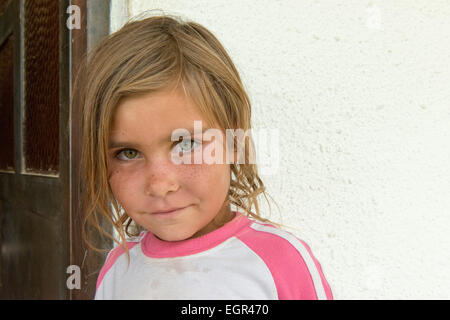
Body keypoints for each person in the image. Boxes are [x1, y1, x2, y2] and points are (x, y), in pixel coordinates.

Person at [73, 13, 333, 300]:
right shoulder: (117, 270)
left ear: (234, 141)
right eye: (128, 153)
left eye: (185, 144)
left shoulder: (280, 262)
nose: (160, 185)